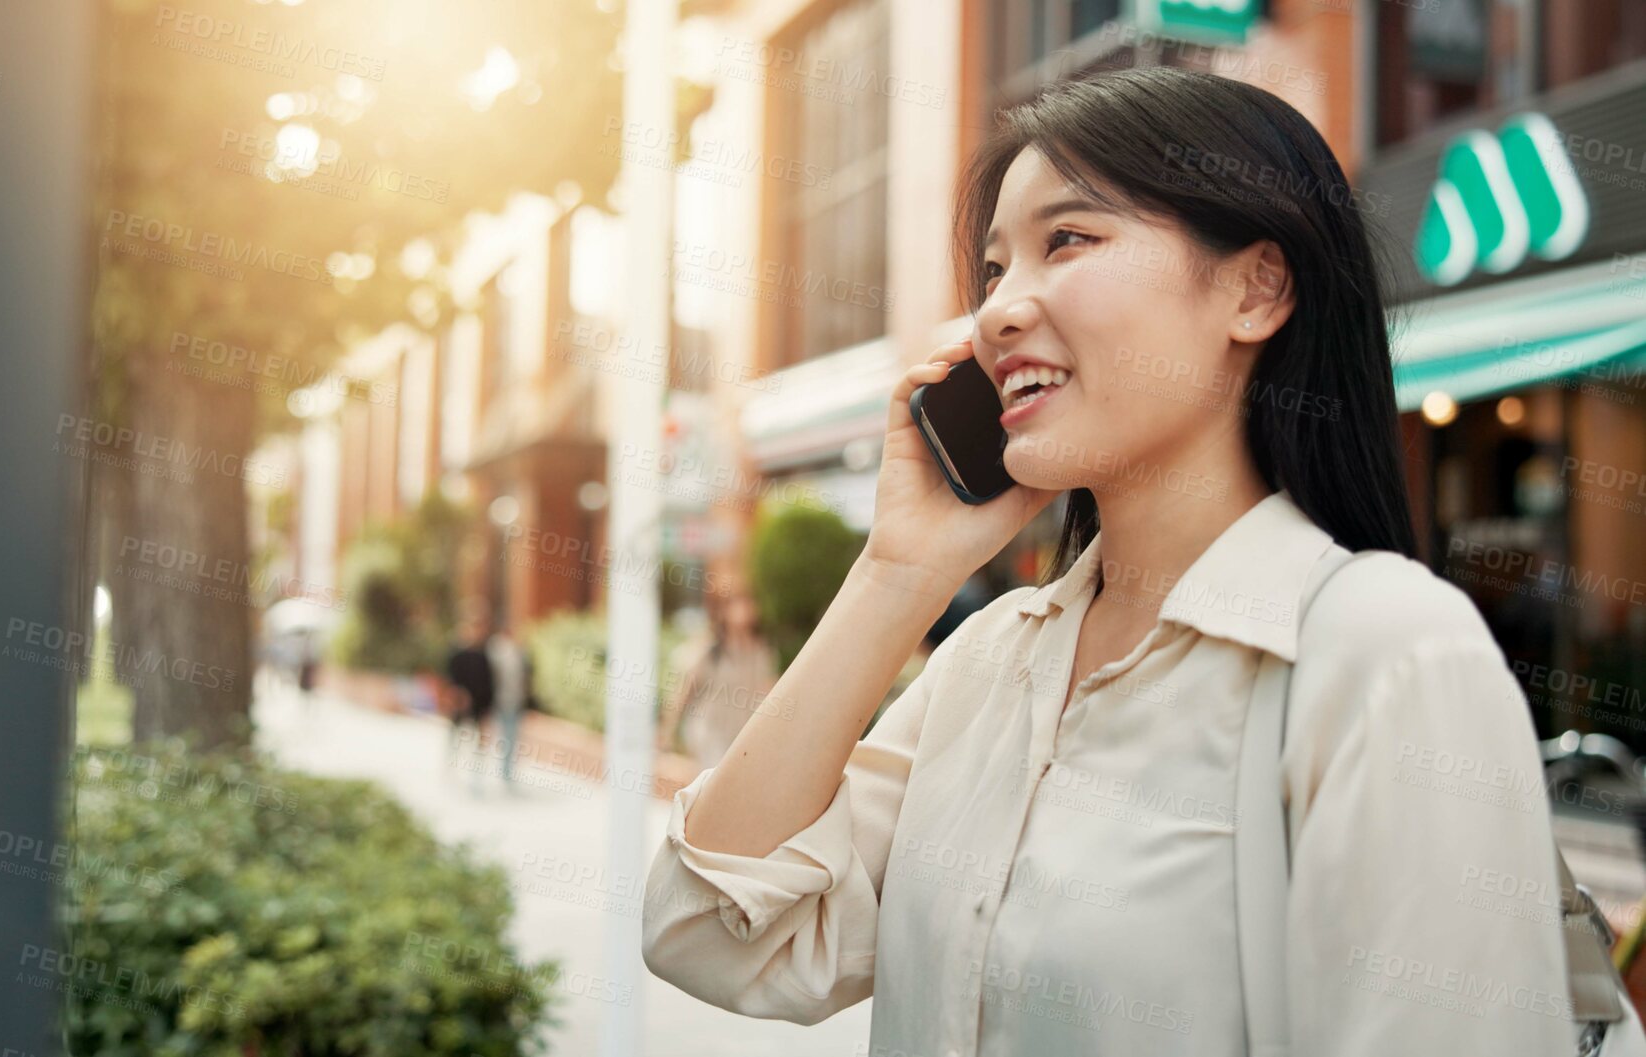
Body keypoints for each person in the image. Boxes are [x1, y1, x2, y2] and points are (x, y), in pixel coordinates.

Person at [641, 67, 1604, 1056]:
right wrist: (896, 572)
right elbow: (707, 934)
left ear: (1254, 287)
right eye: (991, 270)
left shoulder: (1381, 652)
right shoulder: (989, 662)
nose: (997, 313)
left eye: (1067, 240)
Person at [656, 592, 779, 770]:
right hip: (711, 733)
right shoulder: (709, 649)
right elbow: (684, 689)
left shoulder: (760, 650)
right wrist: (666, 730)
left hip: (741, 732)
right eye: (737, 604)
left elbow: (767, 689)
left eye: (748, 604)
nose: (744, 610)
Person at [442, 605, 496, 781]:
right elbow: (450, 678)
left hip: (479, 704)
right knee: (456, 737)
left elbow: (489, 682)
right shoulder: (458, 653)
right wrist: (456, 696)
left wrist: (488, 708)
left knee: (479, 742)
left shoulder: (485, 654)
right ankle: (451, 769)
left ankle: (476, 776)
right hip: (460, 702)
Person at [484, 616, 531, 789]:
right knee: (494, 736)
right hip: (497, 701)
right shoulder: (495, 649)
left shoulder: (519, 650)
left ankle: (507, 772)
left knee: (511, 736)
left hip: (515, 701)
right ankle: (490, 770)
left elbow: (524, 675)